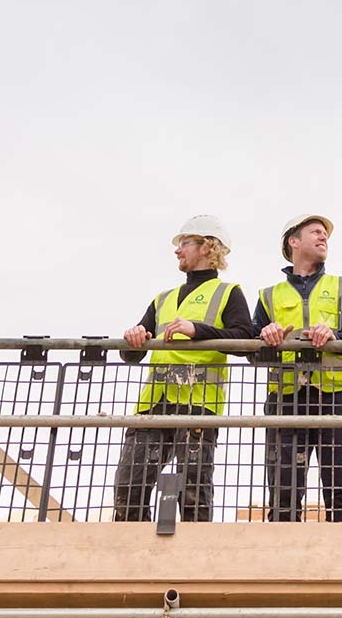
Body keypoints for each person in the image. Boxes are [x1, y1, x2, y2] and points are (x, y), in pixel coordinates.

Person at [113, 215, 253, 523]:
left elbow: (245, 338)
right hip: (152, 405)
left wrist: (199, 330)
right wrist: (133, 337)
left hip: (198, 405)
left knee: (192, 491)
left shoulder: (228, 293)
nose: (178, 250)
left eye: (184, 243)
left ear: (207, 246)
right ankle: (133, 559)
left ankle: (194, 562)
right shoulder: (163, 299)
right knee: (129, 486)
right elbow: (131, 353)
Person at [254, 214, 342, 522]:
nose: (324, 238)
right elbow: (253, 352)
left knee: (341, 488)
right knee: (284, 489)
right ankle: (283, 561)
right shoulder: (268, 296)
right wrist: (266, 337)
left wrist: (335, 336)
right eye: (316, 232)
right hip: (286, 398)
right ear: (293, 242)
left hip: (338, 396)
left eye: (325, 235)